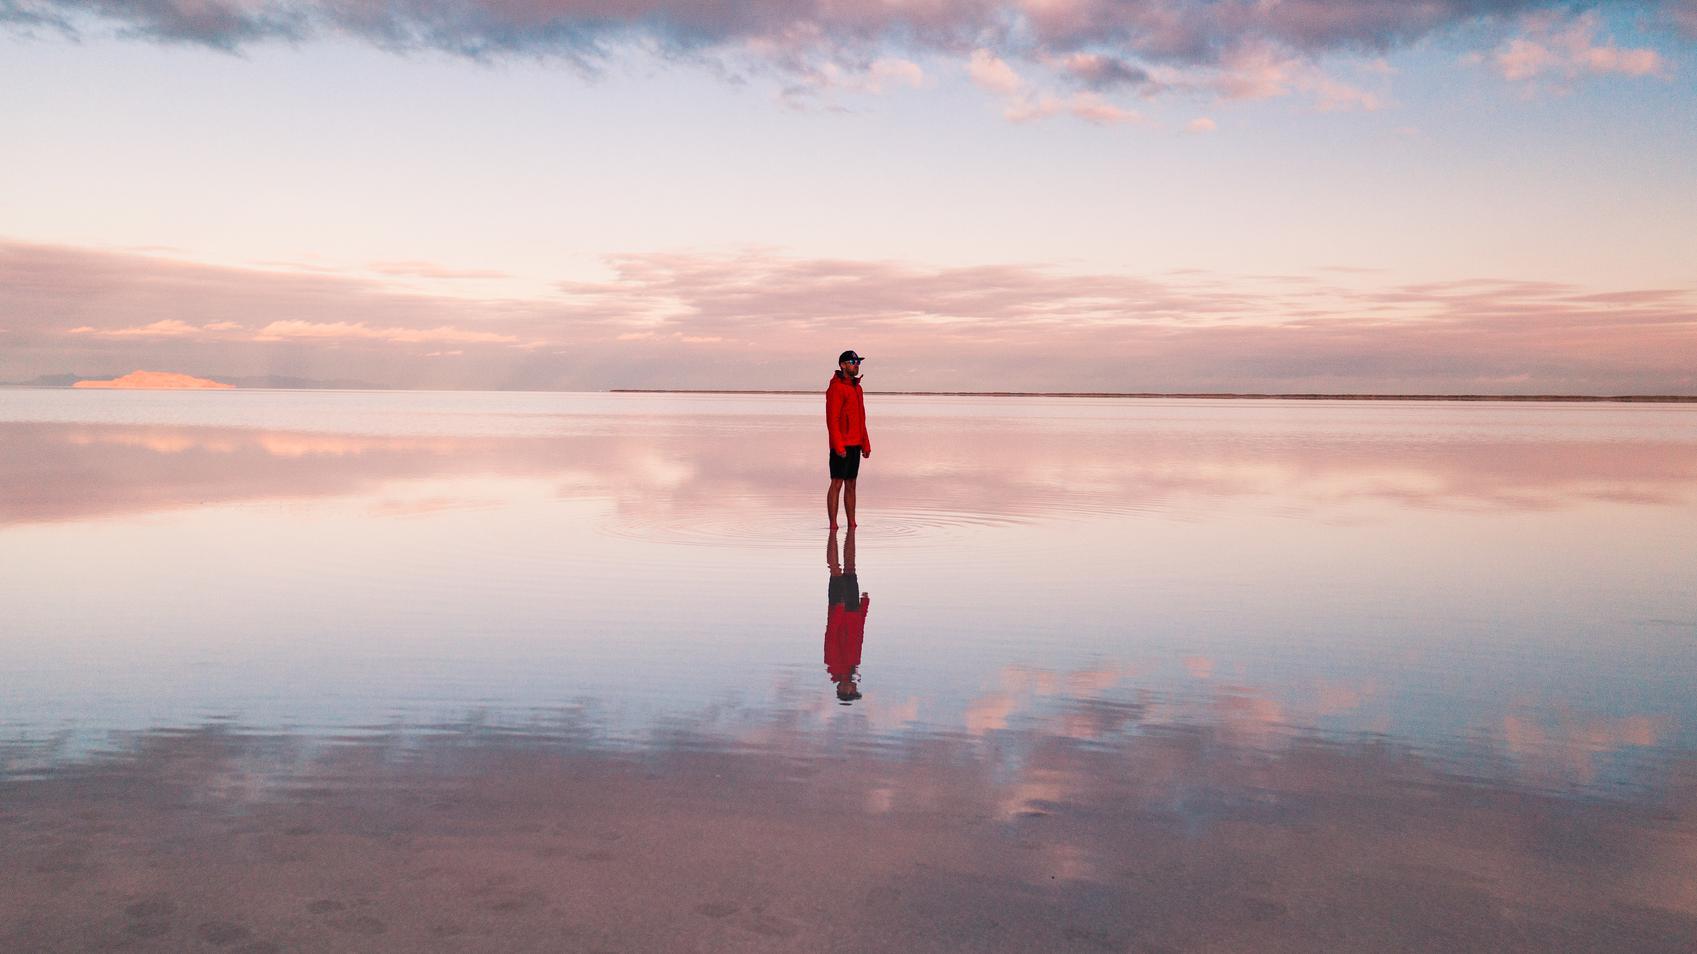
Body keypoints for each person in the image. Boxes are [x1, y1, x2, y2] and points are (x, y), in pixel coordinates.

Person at [825, 349, 871, 529]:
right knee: (837, 483)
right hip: (841, 445)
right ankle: (833, 525)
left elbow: (861, 419)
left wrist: (865, 443)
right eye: (853, 362)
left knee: (851, 484)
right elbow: (833, 419)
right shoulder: (836, 388)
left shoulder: (857, 388)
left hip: (855, 443)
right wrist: (838, 446)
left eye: (858, 362)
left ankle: (852, 523)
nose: (856, 365)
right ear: (843, 365)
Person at [824, 527, 868, 703]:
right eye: (854, 691)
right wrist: (864, 607)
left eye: (851, 692)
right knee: (850, 567)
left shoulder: (833, 666)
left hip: (840, 609)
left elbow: (831, 636)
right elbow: (859, 636)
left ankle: (833, 534)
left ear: (841, 689)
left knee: (835, 569)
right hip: (854, 610)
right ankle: (843, 532)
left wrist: (838, 610)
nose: (854, 688)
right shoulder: (854, 666)